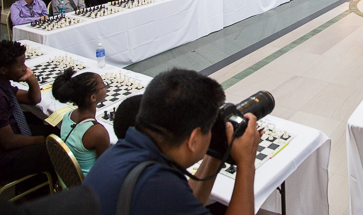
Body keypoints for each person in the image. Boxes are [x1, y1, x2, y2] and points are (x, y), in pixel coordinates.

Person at [83, 69, 260, 215]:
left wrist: (216, 152)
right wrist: (246, 163)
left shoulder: (120, 153)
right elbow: (172, 198)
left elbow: (190, 201)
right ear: (193, 139)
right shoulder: (159, 187)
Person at [0, 41, 56, 185]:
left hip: (16, 130)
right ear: (4, 70)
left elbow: (33, 99)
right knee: (57, 149)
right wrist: (40, 140)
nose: (24, 68)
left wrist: (31, 79)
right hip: (6, 158)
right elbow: (8, 142)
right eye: (20, 65)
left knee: (55, 131)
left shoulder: (4, 84)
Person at [52, 68, 110, 176]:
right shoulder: (97, 132)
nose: (105, 86)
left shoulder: (68, 115)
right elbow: (106, 168)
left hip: (68, 180)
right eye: (103, 84)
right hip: (90, 186)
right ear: (93, 97)